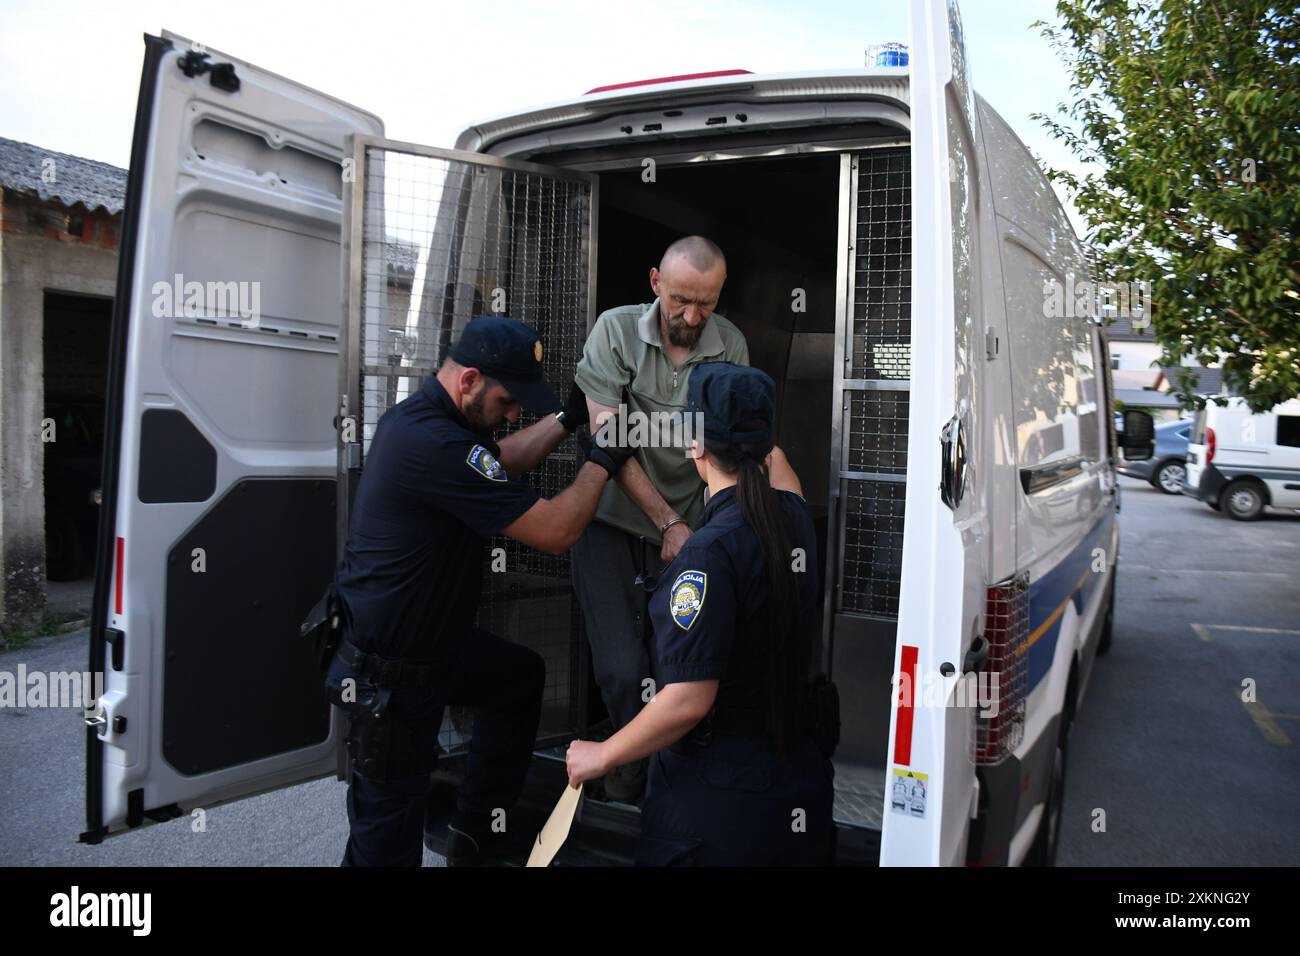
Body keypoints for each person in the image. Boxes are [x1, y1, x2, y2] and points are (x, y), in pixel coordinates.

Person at [325, 315, 636, 867]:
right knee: (385, 845)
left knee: (517, 677)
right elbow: (557, 532)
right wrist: (602, 460)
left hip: (432, 652)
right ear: (469, 381)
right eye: (508, 401)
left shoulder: (435, 424)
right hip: (390, 678)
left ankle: (475, 836)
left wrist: (566, 419)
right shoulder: (432, 443)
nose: (515, 413)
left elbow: (498, 462)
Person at [565, 362, 835, 865]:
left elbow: (689, 701)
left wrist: (600, 755)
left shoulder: (708, 553)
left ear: (695, 445)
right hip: (796, 791)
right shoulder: (796, 517)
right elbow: (778, 465)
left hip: (715, 811)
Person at [571, 235, 749, 802]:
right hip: (612, 519)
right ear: (655, 283)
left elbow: (733, 446)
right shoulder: (615, 330)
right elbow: (608, 435)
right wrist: (666, 521)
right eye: (680, 300)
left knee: (675, 668)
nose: (692, 316)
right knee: (623, 670)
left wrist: (706, 532)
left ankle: (667, 786)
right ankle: (629, 782)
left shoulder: (732, 346)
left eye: (706, 303)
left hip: (693, 531)